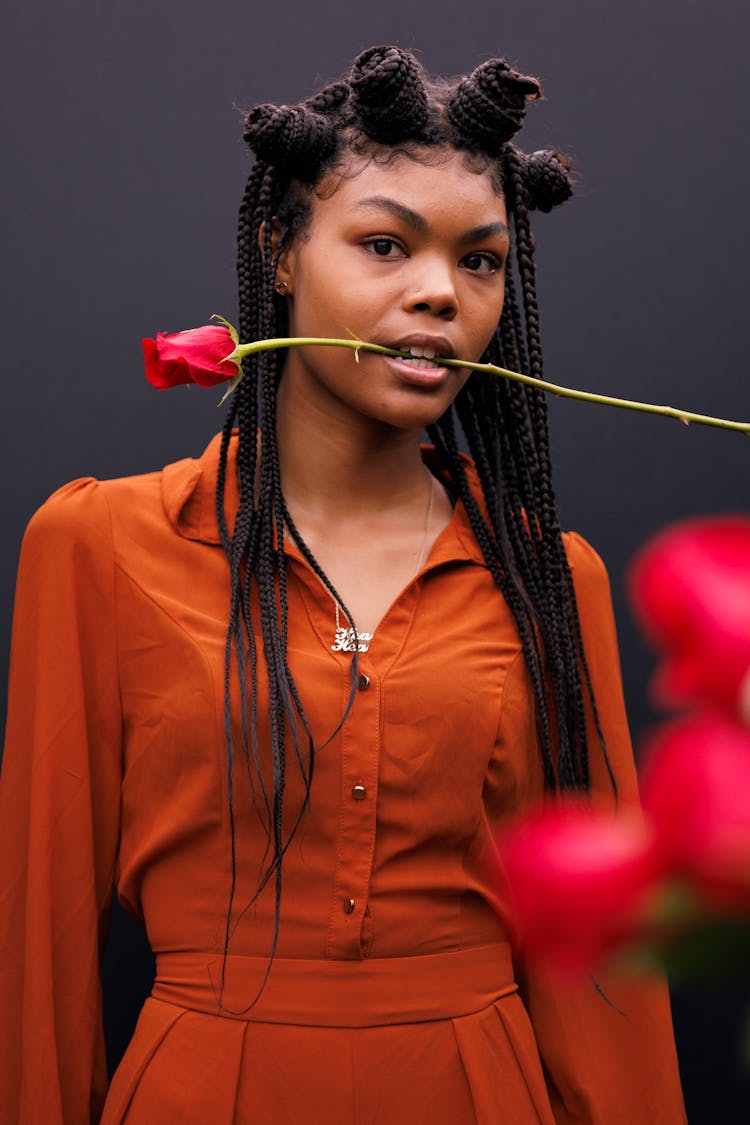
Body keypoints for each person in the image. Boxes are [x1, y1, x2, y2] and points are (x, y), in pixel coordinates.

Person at [0, 45, 686, 1124]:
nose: (438, 293)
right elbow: (38, 944)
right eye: (383, 244)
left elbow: (603, 977)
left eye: (481, 261)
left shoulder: (550, 578)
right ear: (280, 255)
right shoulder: (99, 545)